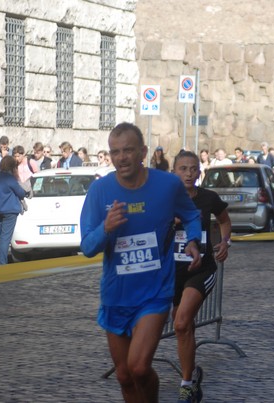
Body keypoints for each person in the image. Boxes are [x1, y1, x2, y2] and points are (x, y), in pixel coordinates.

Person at [80, 122, 202, 403]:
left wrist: (193, 240)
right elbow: (87, 247)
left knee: (139, 367)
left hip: (154, 294)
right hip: (115, 295)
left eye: (128, 150)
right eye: (115, 152)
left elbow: (192, 214)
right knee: (124, 375)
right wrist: (105, 229)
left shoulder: (168, 184)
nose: (121, 157)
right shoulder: (100, 190)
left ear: (143, 152)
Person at [172, 150, 231, 403]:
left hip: (202, 269)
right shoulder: (166, 200)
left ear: (199, 172)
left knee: (183, 322)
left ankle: (186, 385)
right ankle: (193, 373)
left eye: (193, 168)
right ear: (174, 172)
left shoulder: (208, 198)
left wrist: (225, 241)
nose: (188, 173)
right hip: (171, 272)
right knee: (183, 326)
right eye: (183, 168)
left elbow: (225, 220)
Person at [0, 156, 28, 265]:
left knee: (2, 236)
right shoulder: (10, 178)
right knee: (6, 238)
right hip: (10, 211)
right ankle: (2, 263)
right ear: (12, 167)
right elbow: (21, 192)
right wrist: (17, 176)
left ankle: (0, 260)